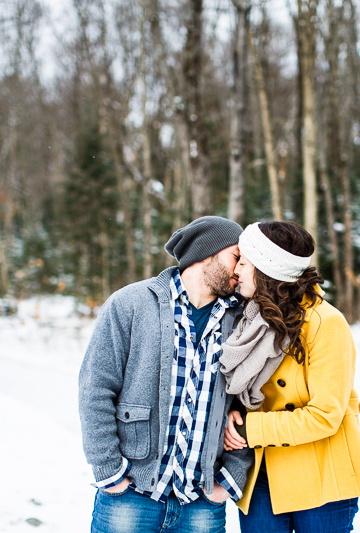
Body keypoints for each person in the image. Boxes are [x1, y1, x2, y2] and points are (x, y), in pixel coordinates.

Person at [79, 216, 253, 533]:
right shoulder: (130, 304)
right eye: (236, 257)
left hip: (201, 504)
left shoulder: (242, 319)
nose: (241, 270)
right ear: (208, 253)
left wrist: (230, 480)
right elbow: (96, 389)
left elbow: (249, 403)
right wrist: (110, 472)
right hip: (131, 496)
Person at [221, 221, 360, 533]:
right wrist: (231, 416)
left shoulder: (325, 323)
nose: (235, 270)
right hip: (263, 471)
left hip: (321, 475)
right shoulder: (248, 320)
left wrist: (250, 428)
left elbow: (325, 415)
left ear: (266, 270)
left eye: (244, 263)